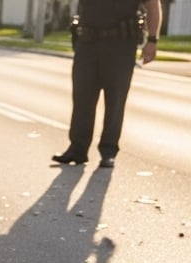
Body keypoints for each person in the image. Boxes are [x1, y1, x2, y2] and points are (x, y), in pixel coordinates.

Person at [52, 0, 161, 169]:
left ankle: (108, 151)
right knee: (82, 97)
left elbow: (153, 6)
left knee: (115, 100)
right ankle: (77, 149)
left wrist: (152, 40)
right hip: (87, 43)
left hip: (120, 45)